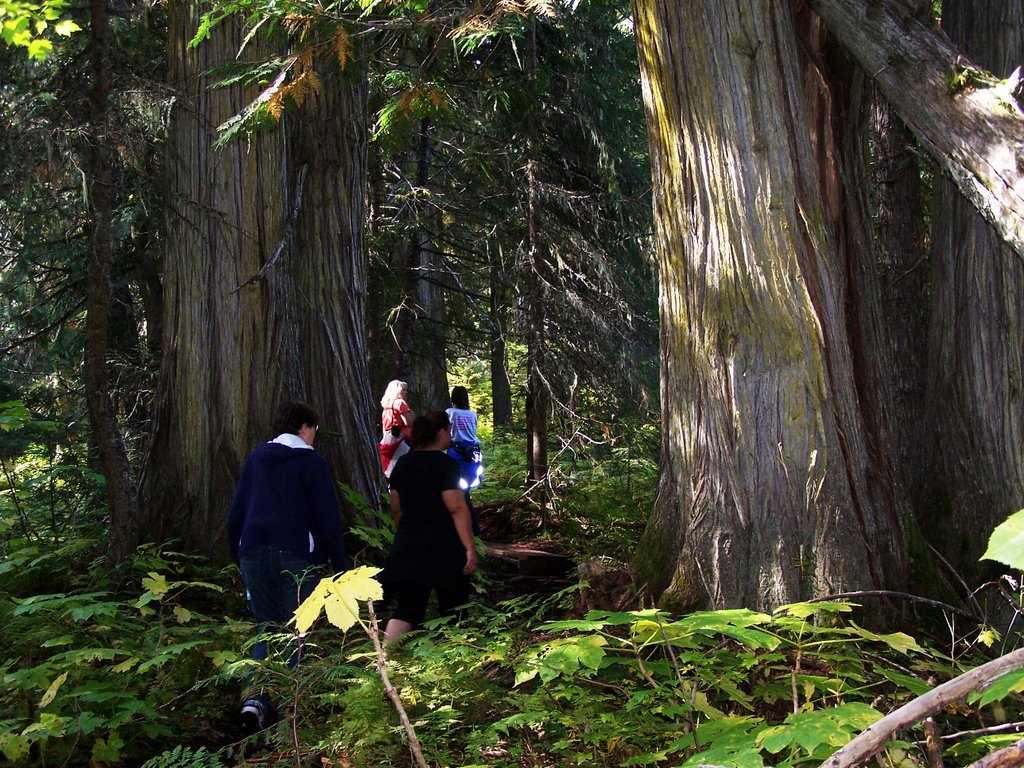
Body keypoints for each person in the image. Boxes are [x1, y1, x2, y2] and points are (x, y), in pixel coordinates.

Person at [227, 401, 347, 732]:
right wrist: (340, 567)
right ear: (305, 427)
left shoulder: (256, 458)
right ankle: (293, 708)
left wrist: (237, 555)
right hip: (296, 556)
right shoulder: (312, 462)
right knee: (298, 632)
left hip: (252, 553)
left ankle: (256, 701)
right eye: (314, 431)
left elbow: (237, 511)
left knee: (267, 627)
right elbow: (327, 519)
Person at [379, 411, 478, 644]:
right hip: (445, 547)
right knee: (454, 608)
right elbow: (455, 506)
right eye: (448, 431)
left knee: (408, 608)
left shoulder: (403, 464)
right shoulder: (446, 465)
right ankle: (455, 660)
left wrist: (407, 531)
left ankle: (382, 660)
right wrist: (469, 548)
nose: (450, 435)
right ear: (441, 432)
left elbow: (396, 506)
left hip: (409, 544)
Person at [445, 385, 483, 492]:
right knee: (470, 475)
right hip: (473, 449)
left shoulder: (449, 413)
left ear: (453, 398)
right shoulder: (473, 414)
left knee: (455, 478)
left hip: (456, 449)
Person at [379, 379, 413, 478]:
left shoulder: (387, 405)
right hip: (402, 440)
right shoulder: (400, 403)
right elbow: (408, 422)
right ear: (396, 392)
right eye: (403, 390)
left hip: (389, 439)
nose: (406, 393)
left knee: (393, 469)